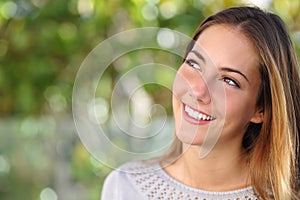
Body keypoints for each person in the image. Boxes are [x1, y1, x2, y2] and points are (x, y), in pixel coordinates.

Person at [101, 6, 300, 200]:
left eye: (229, 81)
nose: (198, 91)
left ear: (261, 109)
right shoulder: (124, 187)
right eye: (194, 63)